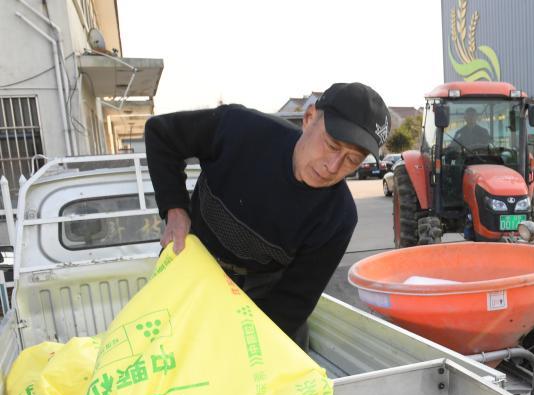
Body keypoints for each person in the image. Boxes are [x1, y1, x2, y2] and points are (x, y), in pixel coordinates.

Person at [144, 82, 390, 348]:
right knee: (169, 347)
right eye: (331, 145)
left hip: (263, 290)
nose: (333, 166)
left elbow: (293, 302)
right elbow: (161, 134)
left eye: (352, 160)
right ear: (309, 118)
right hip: (194, 259)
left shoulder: (338, 217)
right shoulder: (240, 128)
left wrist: (241, 345)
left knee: (276, 355)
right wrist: (175, 210)